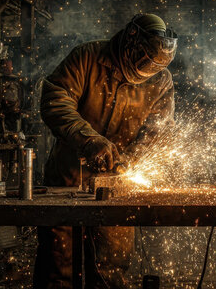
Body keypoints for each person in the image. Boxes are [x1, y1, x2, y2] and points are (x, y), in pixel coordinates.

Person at [33, 14, 177, 288]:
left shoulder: (160, 80)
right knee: (58, 265)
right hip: (68, 180)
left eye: (154, 67)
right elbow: (55, 99)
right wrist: (89, 140)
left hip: (117, 187)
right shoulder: (87, 57)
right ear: (131, 40)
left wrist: (131, 162)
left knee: (112, 269)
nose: (147, 70)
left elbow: (158, 133)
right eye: (144, 62)